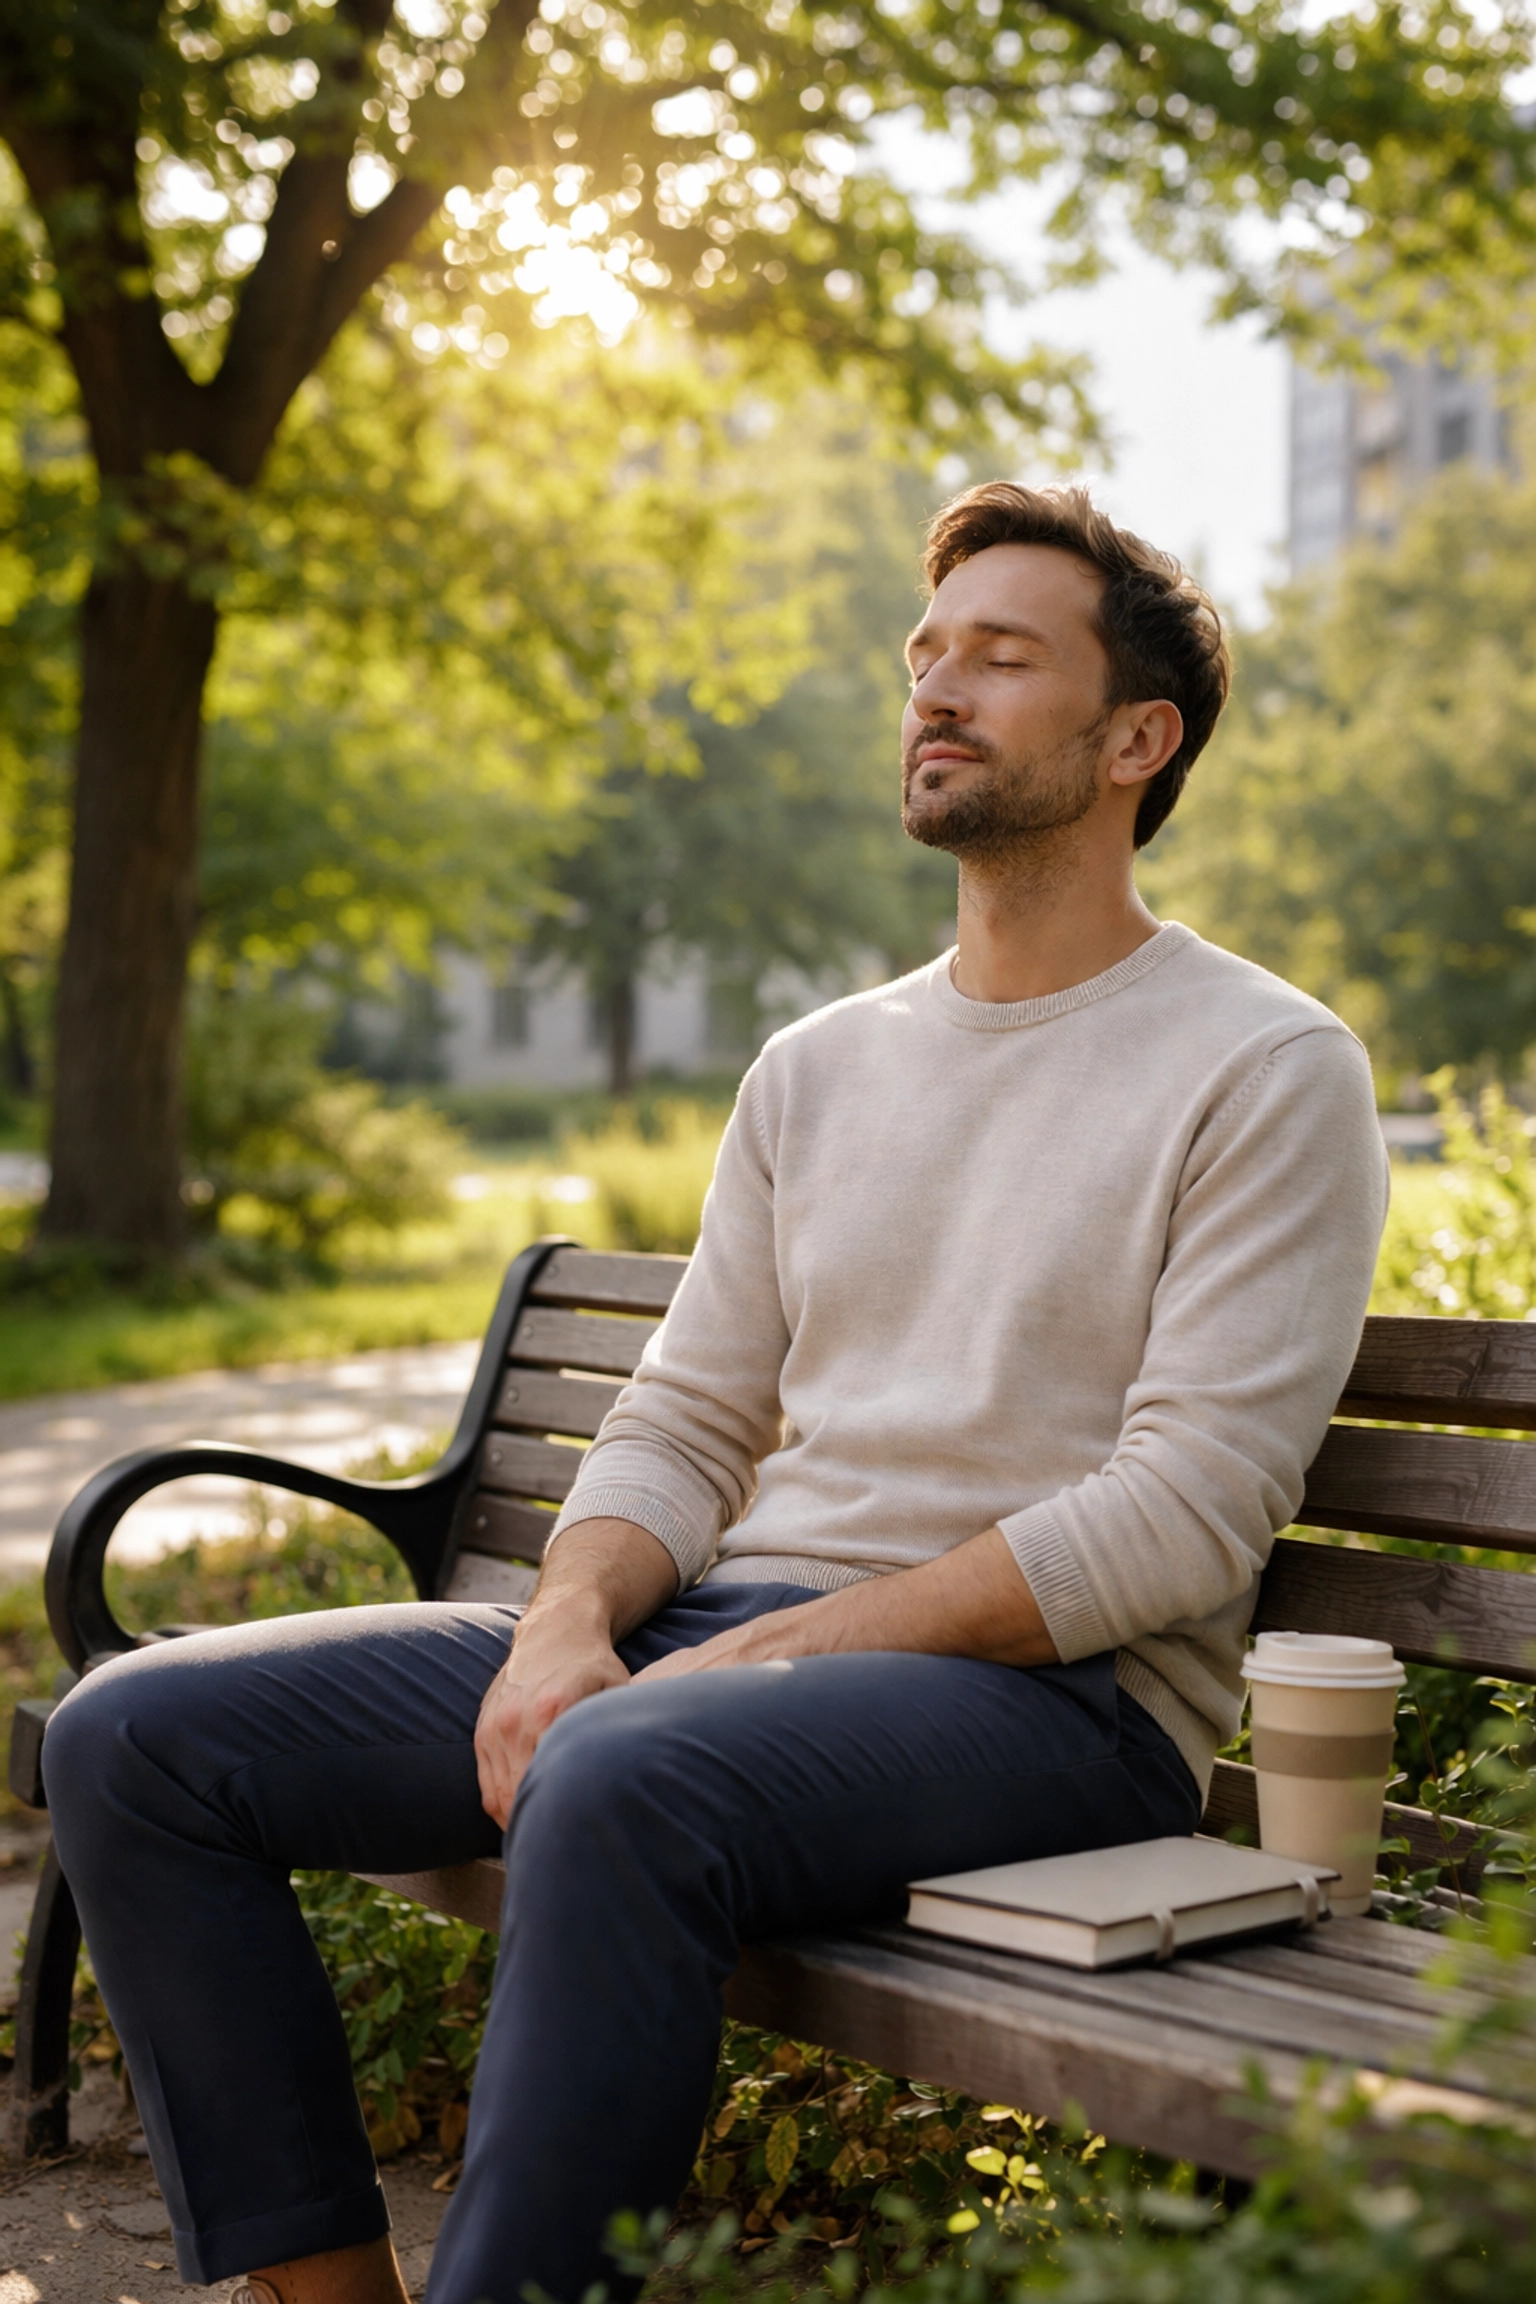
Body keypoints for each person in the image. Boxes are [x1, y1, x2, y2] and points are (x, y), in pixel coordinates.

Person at [43, 483, 1389, 2304]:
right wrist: (558, 1631)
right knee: (136, 1738)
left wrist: (768, 1656)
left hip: (1054, 1712)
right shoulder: (819, 1066)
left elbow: (1192, 1505)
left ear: (1137, 737)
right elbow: (682, 1424)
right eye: (927, 655)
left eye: (1002, 658)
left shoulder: (1267, 1066)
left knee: (620, 1762)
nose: (937, 690)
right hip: (718, 1659)